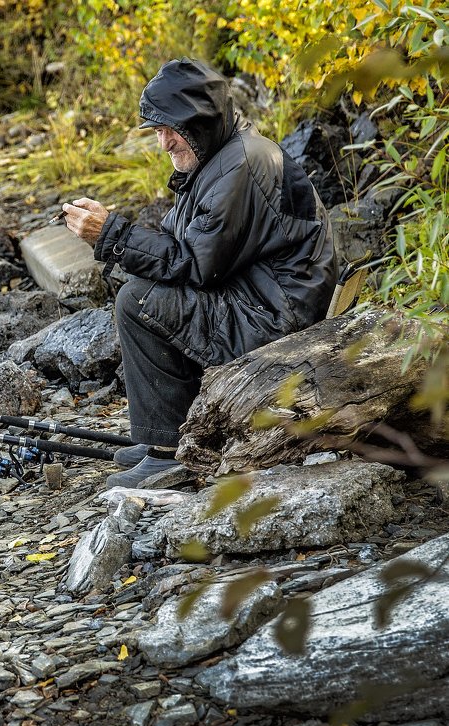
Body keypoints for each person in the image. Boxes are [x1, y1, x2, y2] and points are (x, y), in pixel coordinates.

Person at [61, 59, 337, 489]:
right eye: (156, 130)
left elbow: (192, 264)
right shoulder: (220, 158)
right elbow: (179, 244)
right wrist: (116, 236)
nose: (164, 142)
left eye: (172, 128)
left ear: (202, 121)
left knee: (138, 301)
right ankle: (167, 434)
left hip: (276, 319)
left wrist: (110, 235)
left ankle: (168, 452)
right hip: (260, 299)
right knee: (144, 291)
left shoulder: (240, 165)